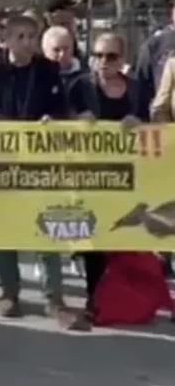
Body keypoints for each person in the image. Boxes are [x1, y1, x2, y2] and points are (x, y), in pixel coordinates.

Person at [0, 15, 84, 329]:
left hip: (40, 160)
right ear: (5, 39)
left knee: (46, 225)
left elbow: (61, 109)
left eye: (32, 36)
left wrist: (52, 120)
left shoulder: (47, 69)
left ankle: (54, 298)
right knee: (5, 227)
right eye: (20, 36)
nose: (27, 42)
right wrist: (6, 126)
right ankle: (9, 292)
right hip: (2, 158)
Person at [69, 32, 144, 322]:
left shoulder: (136, 89)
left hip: (129, 175)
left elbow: (154, 122)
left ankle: (128, 296)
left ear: (122, 59)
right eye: (98, 55)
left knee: (127, 238)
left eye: (111, 56)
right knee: (95, 239)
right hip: (91, 174)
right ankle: (94, 296)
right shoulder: (80, 86)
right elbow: (61, 118)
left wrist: (141, 122)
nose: (103, 61)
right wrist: (76, 120)